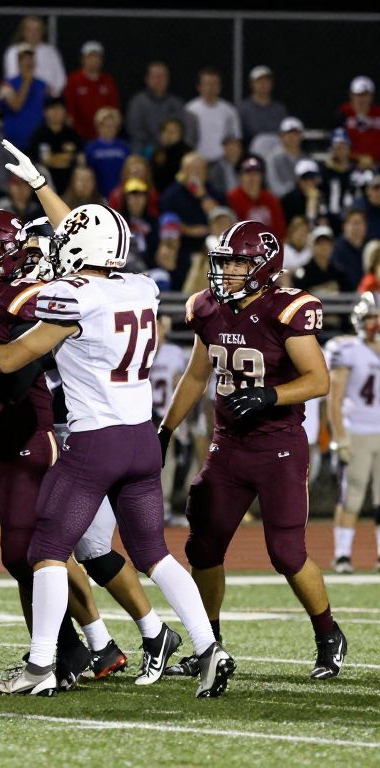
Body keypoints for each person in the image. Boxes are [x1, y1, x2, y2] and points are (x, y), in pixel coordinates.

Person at [0, 203, 233, 698]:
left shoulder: (71, 296)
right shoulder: (141, 286)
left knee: (45, 550)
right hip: (141, 437)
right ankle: (210, 647)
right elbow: (87, 242)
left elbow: (11, 357)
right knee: (154, 554)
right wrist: (46, 192)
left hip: (95, 440)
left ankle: (40, 665)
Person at [159, 219, 345, 682]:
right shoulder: (207, 308)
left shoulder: (286, 310)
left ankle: (328, 633)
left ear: (264, 267)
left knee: (285, 551)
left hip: (278, 446)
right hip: (228, 446)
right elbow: (197, 377)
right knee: (203, 546)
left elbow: (318, 380)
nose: (228, 272)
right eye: (225, 262)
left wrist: (271, 395)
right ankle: (210, 644)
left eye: (239, 263)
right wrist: (164, 429)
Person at [325, 292, 380, 574]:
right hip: (357, 430)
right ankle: (343, 554)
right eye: (371, 317)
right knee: (353, 495)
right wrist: (340, 434)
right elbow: (335, 397)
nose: (375, 323)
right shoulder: (347, 349)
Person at [160, 152, 223, 285]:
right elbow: (167, 221)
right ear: (183, 171)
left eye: (200, 169)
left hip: (210, 242)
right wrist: (189, 230)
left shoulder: (214, 193)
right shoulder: (172, 194)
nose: (196, 173)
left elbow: (220, 217)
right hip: (182, 243)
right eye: (192, 169)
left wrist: (202, 195)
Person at [125, 62, 188, 155]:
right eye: (155, 76)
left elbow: (182, 128)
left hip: (172, 147)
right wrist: (159, 142)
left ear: (167, 79)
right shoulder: (137, 102)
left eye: (162, 76)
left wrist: (170, 140)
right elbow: (135, 131)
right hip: (146, 147)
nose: (159, 80)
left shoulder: (176, 103)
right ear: (147, 79)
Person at [63, 41, 119, 144]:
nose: (93, 60)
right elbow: (69, 108)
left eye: (96, 57)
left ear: (101, 60)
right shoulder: (73, 80)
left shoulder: (108, 80)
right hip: (80, 135)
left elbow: (114, 109)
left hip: (105, 136)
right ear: (83, 59)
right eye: (90, 57)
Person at [185, 67, 241, 164]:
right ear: (199, 87)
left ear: (220, 87)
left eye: (215, 84)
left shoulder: (229, 111)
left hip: (222, 162)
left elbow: (235, 138)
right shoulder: (190, 109)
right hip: (197, 161)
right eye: (208, 84)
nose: (211, 87)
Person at [2, 15, 65, 97]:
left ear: (42, 31)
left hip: (47, 98)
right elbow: (11, 76)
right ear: (23, 31)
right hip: (21, 97)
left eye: (37, 30)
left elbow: (60, 79)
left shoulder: (51, 52)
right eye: (29, 30)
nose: (33, 33)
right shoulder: (13, 51)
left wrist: (53, 92)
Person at [28, 96, 80, 193]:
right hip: (45, 183)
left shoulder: (72, 134)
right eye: (52, 108)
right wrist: (63, 159)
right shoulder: (38, 135)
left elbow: (78, 157)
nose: (56, 112)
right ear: (45, 112)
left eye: (60, 109)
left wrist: (54, 159)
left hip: (70, 181)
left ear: (65, 112)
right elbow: (37, 161)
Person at [227, 155, 285, 239]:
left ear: (261, 177)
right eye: (247, 173)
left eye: (255, 174)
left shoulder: (271, 198)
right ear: (240, 176)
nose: (252, 178)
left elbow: (280, 229)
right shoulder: (232, 198)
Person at [0, 47, 46, 151]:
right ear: (19, 62)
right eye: (25, 59)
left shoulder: (42, 85)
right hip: (14, 143)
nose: (28, 62)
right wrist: (26, 82)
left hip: (36, 142)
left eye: (31, 59)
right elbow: (16, 106)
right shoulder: (7, 84)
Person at [84, 107, 129, 199]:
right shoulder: (91, 147)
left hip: (120, 193)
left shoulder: (124, 146)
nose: (109, 129)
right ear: (98, 127)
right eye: (105, 126)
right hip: (98, 194)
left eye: (112, 126)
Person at [238, 66, 288, 144]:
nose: (263, 84)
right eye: (259, 81)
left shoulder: (279, 109)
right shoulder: (243, 109)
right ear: (252, 84)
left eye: (267, 81)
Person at [337, 76, 380, 166]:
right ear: (351, 95)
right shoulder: (343, 114)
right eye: (358, 95)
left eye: (365, 95)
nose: (362, 99)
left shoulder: (378, 113)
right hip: (352, 165)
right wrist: (358, 158)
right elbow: (337, 145)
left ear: (371, 96)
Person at [266, 116, 307, 198]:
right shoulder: (273, 158)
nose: (292, 138)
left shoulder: (306, 158)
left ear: (301, 136)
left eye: (295, 134)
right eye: (288, 134)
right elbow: (274, 187)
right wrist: (295, 186)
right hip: (281, 201)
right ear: (281, 136)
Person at [291, 226, 340, 294]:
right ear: (312, 246)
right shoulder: (303, 273)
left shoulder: (339, 273)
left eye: (327, 243)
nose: (324, 246)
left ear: (332, 246)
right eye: (319, 243)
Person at [281, 160, 329, 228]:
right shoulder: (289, 199)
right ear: (298, 180)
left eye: (312, 178)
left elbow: (324, 221)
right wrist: (311, 201)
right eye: (306, 179)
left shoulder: (321, 196)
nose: (309, 182)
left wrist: (314, 200)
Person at [331, 208, 369, 291]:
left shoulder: (370, 248)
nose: (356, 227)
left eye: (359, 223)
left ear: (365, 227)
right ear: (345, 226)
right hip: (344, 298)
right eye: (353, 223)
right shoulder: (336, 249)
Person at [151, 117, 192, 193]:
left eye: (173, 132)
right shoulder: (159, 151)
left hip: (180, 191)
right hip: (160, 191)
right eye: (166, 131)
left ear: (180, 134)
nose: (168, 134)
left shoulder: (187, 152)